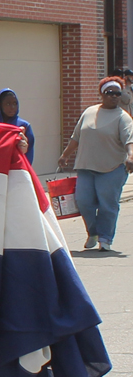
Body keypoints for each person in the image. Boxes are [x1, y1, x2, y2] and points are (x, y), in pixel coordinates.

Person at [58, 76, 133, 251]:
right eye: (110, 93)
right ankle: (93, 232)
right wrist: (65, 156)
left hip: (112, 168)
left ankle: (105, 238)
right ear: (101, 94)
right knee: (83, 201)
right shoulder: (89, 112)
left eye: (117, 93)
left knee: (108, 204)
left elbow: (130, 140)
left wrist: (130, 156)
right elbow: (76, 137)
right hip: (86, 167)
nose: (114, 96)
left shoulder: (123, 117)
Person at [0, 88, 35, 165]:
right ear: (0, 105)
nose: (12, 107)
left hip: (16, 169)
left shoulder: (24, 126)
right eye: (8, 104)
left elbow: (29, 153)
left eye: (15, 103)